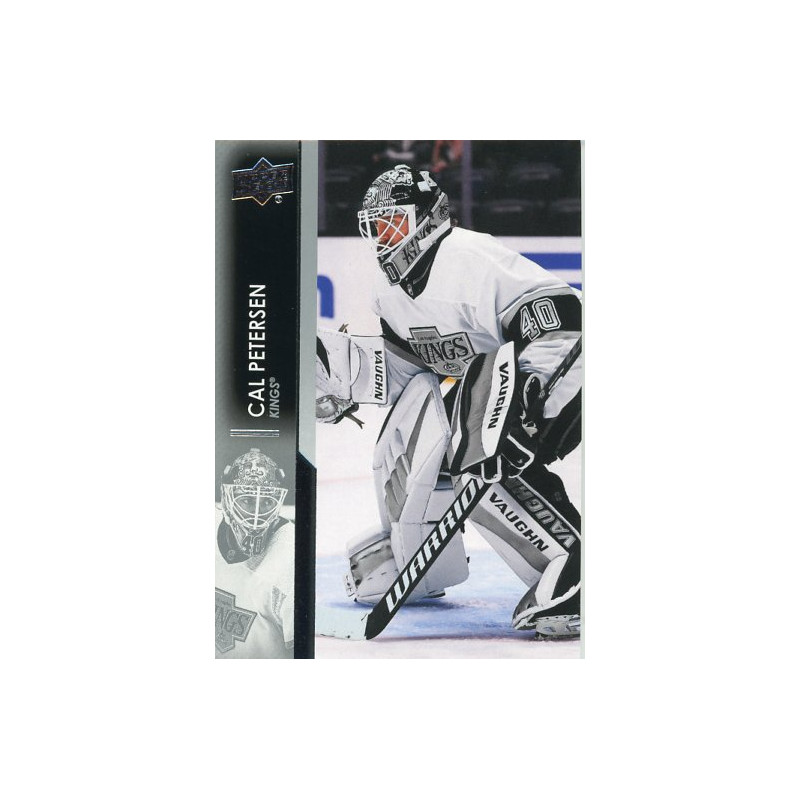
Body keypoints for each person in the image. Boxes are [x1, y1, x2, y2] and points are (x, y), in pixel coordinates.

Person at [315, 164, 582, 639]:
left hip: (568, 362)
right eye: (375, 227)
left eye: (392, 223)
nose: (383, 238)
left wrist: (529, 391)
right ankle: (417, 558)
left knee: (481, 444)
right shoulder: (390, 292)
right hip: (504, 381)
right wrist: (345, 376)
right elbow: (409, 371)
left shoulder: (469, 258)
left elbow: (562, 315)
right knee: (433, 446)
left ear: (427, 218)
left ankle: (579, 566)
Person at [215, 448, 294, 658]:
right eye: (247, 500)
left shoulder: (290, 560)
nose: (256, 515)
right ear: (227, 500)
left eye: (267, 501)